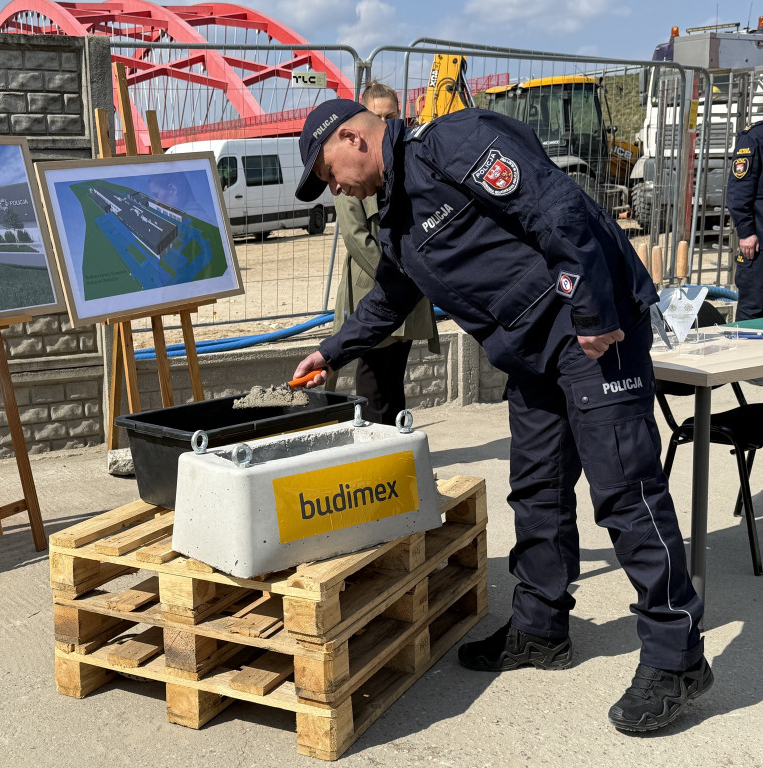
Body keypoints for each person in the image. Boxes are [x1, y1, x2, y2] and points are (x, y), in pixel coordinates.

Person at [291, 99, 711, 732]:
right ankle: (541, 631)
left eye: (328, 172)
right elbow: (390, 298)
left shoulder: (453, 143)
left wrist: (597, 316)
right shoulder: (398, 216)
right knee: (536, 489)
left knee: (626, 490)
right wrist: (329, 350)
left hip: (590, 334)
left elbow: (556, 208)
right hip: (532, 355)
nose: (334, 188)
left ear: (354, 138)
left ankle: (676, 657)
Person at [332, 81, 440, 424]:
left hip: (405, 294)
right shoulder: (350, 171)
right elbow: (356, 236)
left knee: (394, 380)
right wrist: (400, 277)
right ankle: (379, 455)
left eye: (390, 115)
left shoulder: (408, 164)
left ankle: (399, 450)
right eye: (375, 115)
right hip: (374, 289)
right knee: (373, 383)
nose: (383, 123)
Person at [727, 122, 763, 320]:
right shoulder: (754, 137)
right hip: (759, 247)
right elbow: (739, 192)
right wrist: (747, 232)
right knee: (754, 312)